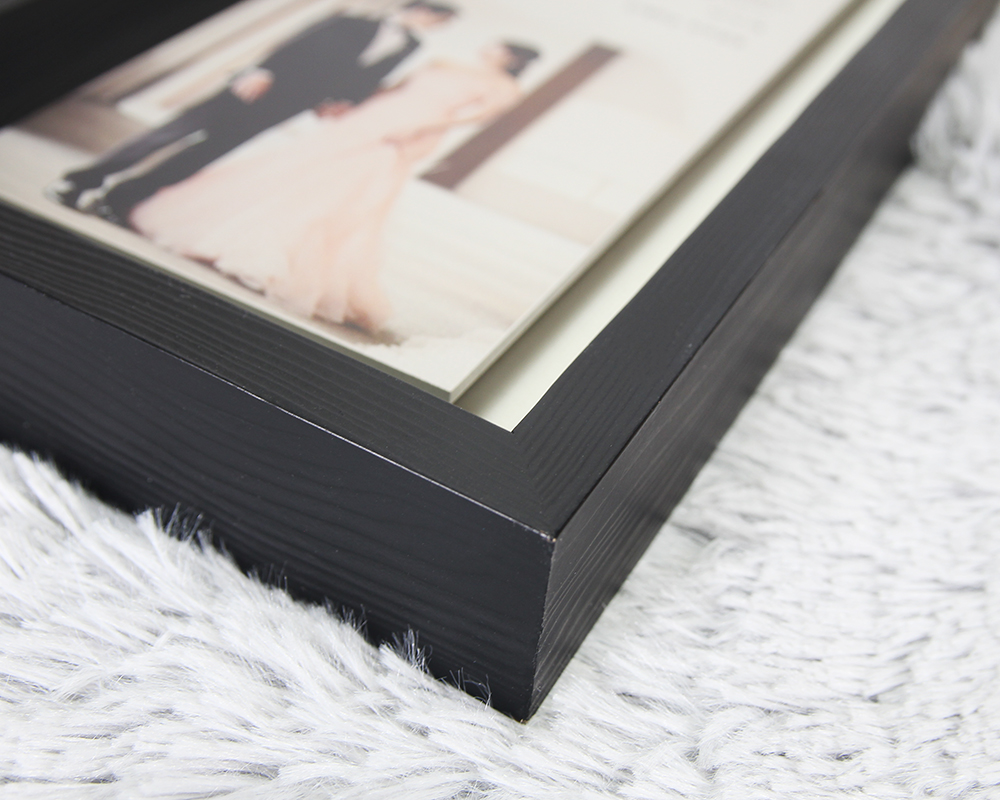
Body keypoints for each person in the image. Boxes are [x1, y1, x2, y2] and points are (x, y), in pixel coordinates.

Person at [129, 42, 540, 332]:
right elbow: (390, 89)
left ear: (511, 57)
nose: (489, 48)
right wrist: (349, 105)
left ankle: (293, 263)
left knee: (353, 190)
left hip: (415, 127)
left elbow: (471, 117)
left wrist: (420, 126)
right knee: (302, 167)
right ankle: (232, 234)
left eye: (499, 47)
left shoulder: (507, 88)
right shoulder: (443, 62)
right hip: (377, 114)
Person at [51, 1, 458, 223]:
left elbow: (368, 76)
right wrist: (258, 71)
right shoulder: (349, 19)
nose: (436, 26)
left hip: (291, 104)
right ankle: (78, 181)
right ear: (423, 10)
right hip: (260, 84)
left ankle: (120, 199)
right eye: (439, 18)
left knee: (206, 153)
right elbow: (292, 46)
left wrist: (341, 101)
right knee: (168, 135)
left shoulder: (411, 46)